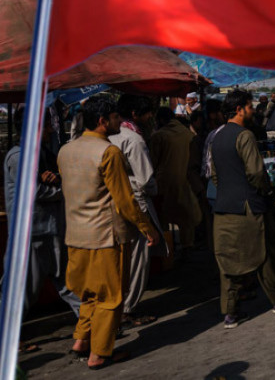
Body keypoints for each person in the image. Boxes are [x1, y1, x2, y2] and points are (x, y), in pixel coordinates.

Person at [59, 95, 160, 368]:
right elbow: (125, 199)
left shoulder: (66, 150)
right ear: (103, 122)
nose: (120, 122)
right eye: (116, 118)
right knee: (111, 296)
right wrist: (147, 227)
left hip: (75, 235)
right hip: (106, 235)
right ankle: (100, 353)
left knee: (90, 293)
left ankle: (81, 340)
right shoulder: (108, 152)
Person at [210, 90, 275, 329]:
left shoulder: (217, 136)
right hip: (249, 208)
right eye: (249, 106)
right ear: (239, 110)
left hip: (223, 208)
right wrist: (266, 191)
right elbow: (256, 172)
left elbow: (214, 175)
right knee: (266, 254)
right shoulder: (244, 136)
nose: (253, 110)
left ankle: (231, 313)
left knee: (229, 263)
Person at [3, 109, 81, 326]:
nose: (50, 130)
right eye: (46, 126)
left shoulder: (40, 153)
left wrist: (57, 180)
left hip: (50, 228)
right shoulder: (19, 157)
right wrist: (64, 190)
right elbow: (34, 191)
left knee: (67, 281)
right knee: (26, 287)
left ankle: (91, 324)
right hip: (32, 232)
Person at [108, 95, 163, 327]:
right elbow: (146, 179)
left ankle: (119, 306)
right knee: (139, 256)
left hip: (111, 204)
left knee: (120, 258)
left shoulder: (107, 136)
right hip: (136, 203)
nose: (150, 117)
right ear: (134, 114)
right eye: (148, 112)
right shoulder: (134, 140)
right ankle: (127, 308)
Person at [150, 107, 201, 256]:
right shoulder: (188, 134)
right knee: (186, 217)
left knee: (163, 218)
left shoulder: (158, 136)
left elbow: (152, 163)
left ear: (160, 120)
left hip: (163, 184)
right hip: (186, 181)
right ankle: (187, 246)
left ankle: (166, 250)